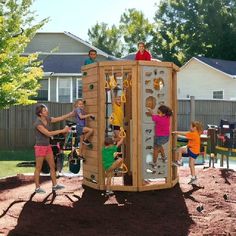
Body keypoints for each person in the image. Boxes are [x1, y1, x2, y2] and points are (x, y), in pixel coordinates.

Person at [34, 104, 74, 194]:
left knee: (52, 166)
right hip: (40, 147)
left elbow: (59, 118)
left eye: (46, 109)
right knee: (38, 168)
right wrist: (62, 131)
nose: (46, 111)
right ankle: (37, 188)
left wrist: (70, 114)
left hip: (47, 146)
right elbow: (48, 134)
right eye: (44, 110)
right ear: (40, 113)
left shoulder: (47, 119)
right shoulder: (38, 123)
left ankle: (55, 185)